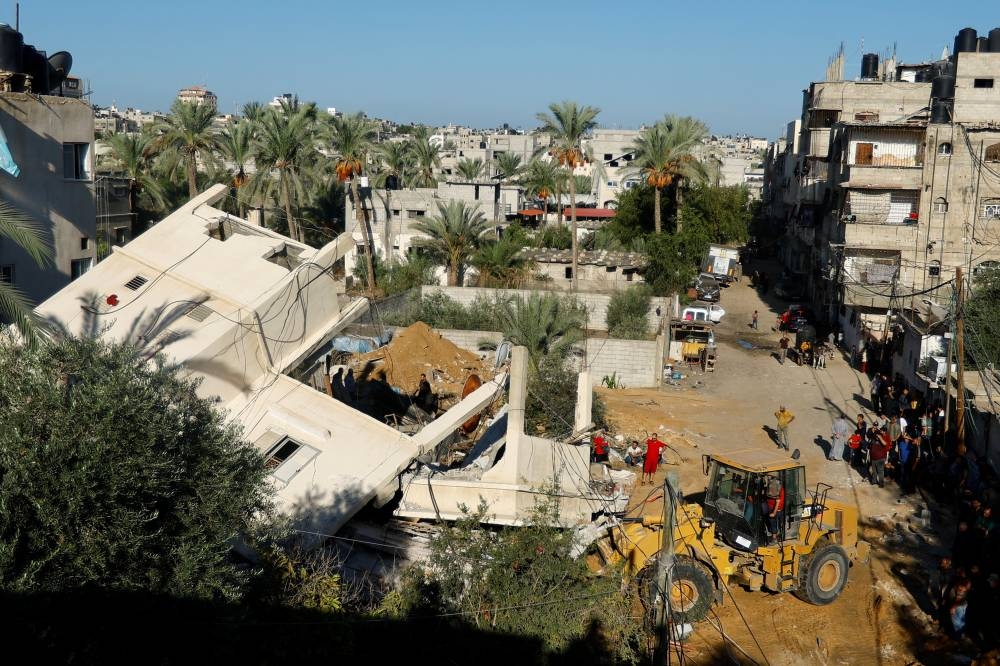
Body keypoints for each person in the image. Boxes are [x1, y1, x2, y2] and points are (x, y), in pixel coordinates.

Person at [761, 475, 785, 545]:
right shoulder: (771, 486)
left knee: (772, 519)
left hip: (777, 509)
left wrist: (774, 513)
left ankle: (774, 537)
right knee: (762, 507)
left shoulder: (780, 491)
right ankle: (767, 525)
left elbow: (778, 503)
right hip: (769, 506)